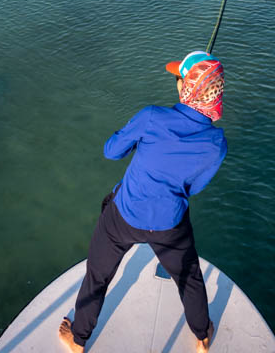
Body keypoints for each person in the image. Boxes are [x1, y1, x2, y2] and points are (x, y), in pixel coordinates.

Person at [58, 51, 227, 353]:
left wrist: (138, 138)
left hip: (124, 216)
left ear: (185, 87)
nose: (177, 82)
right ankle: (202, 337)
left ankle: (79, 339)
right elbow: (194, 186)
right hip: (171, 225)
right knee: (188, 277)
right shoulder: (217, 143)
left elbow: (112, 151)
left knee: (98, 274)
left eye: (179, 78)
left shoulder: (151, 117)